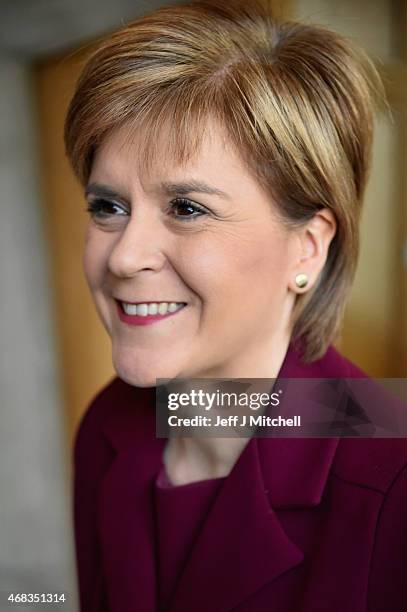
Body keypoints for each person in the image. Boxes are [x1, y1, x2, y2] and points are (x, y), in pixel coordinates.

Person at [65, 1, 407, 610]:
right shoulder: (105, 427)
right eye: (109, 207)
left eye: (187, 208)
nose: (123, 258)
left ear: (306, 248)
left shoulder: (394, 478)